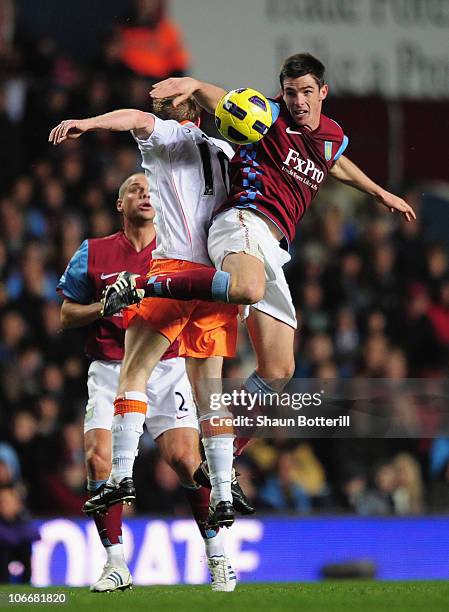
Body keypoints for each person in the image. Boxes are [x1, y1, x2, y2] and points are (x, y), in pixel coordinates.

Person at [127, 52, 417, 458]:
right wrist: (193, 85)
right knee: (246, 287)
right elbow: (225, 101)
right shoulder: (267, 115)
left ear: (323, 92)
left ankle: (226, 449)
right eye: (291, 92)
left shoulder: (331, 135)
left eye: (306, 92)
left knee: (280, 369)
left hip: (275, 246)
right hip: (244, 219)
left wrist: (381, 193)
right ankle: (150, 282)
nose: (298, 101)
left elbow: (336, 163)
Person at [49, 97, 241, 541]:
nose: (145, 193)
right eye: (134, 188)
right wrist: (105, 307)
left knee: (184, 460)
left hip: (169, 366)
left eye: (148, 188)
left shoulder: (175, 251)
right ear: (120, 204)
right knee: (96, 458)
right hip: (108, 367)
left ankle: (218, 556)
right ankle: (115, 564)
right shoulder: (93, 252)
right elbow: (64, 316)